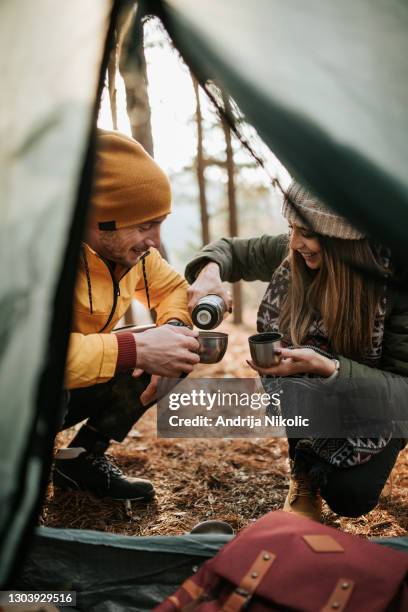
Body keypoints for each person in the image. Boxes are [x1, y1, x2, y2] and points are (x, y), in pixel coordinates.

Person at [185, 180, 407, 522]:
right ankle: (304, 470)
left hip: (383, 406)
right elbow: (229, 250)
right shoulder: (292, 256)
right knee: (297, 379)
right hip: (322, 394)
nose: (294, 243)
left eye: (305, 232)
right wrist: (209, 273)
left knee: (350, 498)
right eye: (291, 228)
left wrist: (330, 369)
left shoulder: (397, 284)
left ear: (343, 238)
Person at [54, 130, 200, 501]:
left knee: (178, 346)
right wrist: (135, 349)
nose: (155, 239)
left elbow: (173, 290)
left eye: (161, 222)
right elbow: (28, 359)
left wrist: (173, 328)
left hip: (71, 386)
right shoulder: (43, 258)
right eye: (144, 225)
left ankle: (80, 460)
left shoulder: (134, 256)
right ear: (101, 220)